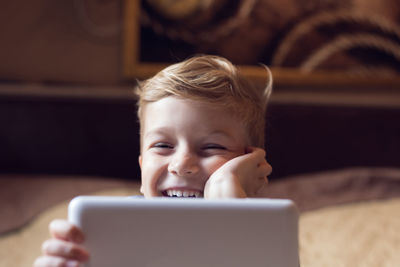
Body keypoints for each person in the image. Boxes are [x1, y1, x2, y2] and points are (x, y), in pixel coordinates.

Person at [33, 55, 273, 267]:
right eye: (162, 146)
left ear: (253, 167)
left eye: (212, 147)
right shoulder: (112, 231)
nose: (180, 165)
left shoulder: (269, 237)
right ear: (142, 167)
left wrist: (227, 195)